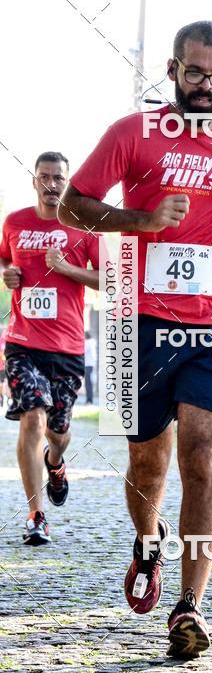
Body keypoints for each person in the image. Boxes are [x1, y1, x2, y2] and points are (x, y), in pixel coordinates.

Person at [59, 20, 212, 658]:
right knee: (148, 462)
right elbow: (74, 205)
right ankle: (146, 540)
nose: (206, 85)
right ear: (172, 69)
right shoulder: (134, 133)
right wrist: (141, 220)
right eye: (194, 71)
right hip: (138, 321)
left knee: (202, 454)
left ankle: (190, 607)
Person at [0, 152, 101, 544]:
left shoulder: (83, 227)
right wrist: (8, 275)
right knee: (33, 417)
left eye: (58, 177)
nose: (52, 184)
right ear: (35, 181)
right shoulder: (15, 223)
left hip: (68, 347)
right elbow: (5, 261)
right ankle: (35, 514)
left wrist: (67, 270)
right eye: (44, 177)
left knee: (58, 431)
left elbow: (110, 279)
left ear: (67, 180)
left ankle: (55, 462)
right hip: (24, 343)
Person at [84, 330, 96, 404]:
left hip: (88, 364)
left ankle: (89, 399)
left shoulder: (88, 343)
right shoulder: (92, 342)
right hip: (90, 364)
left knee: (88, 383)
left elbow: (83, 350)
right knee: (88, 383)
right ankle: (89, 399)